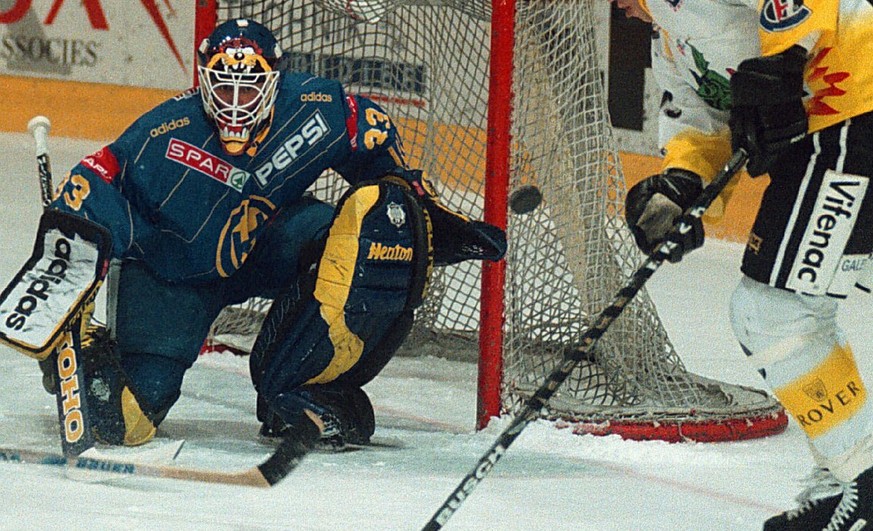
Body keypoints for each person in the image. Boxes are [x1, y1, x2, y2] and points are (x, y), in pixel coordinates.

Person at [40, 18, 505, 454]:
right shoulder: (160, 135)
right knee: (120, 422)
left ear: (275, 79)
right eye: (224, 86)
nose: (236, 101)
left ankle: (299, 386)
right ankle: (86, 355)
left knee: (374, 226)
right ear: (203, 79)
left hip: (265, 244)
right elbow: (86, 202)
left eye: (249, 87)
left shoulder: (317, 109)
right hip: (170, 274)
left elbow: (377, 149)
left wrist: (423, 217)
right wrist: (66, 289)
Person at [611, 0, 873, 529]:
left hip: (855, 107)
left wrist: (785, 55)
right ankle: (846, 477)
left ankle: (864, 479)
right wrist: (681, 185)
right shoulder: (671, 39)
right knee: (789, 312)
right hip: (825, 136)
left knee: (775, 312)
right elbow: (700, 121)